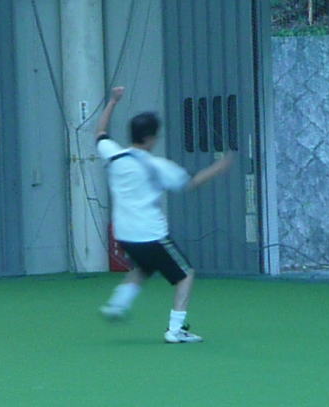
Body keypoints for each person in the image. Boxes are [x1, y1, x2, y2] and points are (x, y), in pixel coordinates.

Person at [95, 86, 233, 343]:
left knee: (144, 268)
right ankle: (175, 329)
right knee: (185, 274)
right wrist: (220, 166)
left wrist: (113, 101)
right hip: (151, 233)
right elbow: (191, 182)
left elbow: (100, 132)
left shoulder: (113, 155)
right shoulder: (156, 166)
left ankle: (117, 304)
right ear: (149, 138)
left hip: (124, 233)